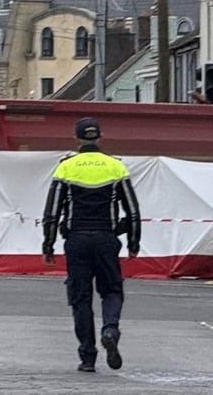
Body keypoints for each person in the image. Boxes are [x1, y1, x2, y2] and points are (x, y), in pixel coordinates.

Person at [41, 117, 142, 373]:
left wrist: (49, 244)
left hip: (76, 240)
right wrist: (133, 241)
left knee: (80, 299)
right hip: (106, 239)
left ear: (76, 139)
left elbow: (52, 211)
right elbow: (132, 211)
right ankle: (110, 329)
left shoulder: (66, 168)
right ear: (100, 137)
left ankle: (88, 357)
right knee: (111, 290)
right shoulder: (116, 166)